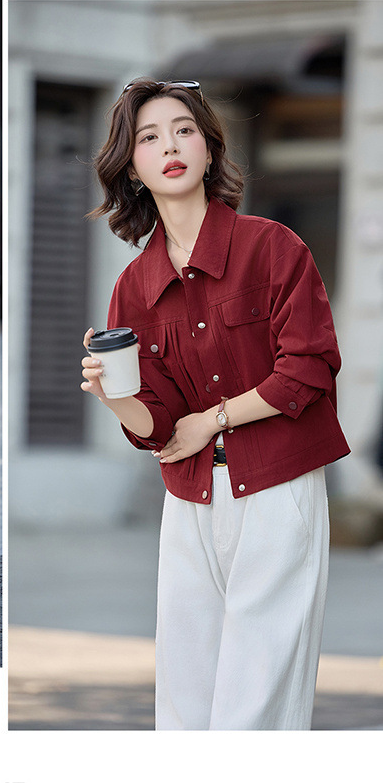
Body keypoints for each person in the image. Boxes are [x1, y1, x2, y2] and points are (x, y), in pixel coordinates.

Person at [82, 79, 349, 729]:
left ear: (208, 150)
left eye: (184, 131)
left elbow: (309, 366)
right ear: (133, 168)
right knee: (184, 699)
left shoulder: (273, 247)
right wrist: (114, 397)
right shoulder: (134, 286)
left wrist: (216, 418)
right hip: (191, 500)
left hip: (278, 489)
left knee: (256, 701)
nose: (170, 146)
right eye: (150, 138)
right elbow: (160, 426)